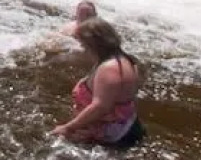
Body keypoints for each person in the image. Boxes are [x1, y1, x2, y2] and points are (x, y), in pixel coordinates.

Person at [53, 18, 145, 148]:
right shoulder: (126, 60)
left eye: (84, 45)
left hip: (110, 139)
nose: (83, 49)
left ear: (95, 44)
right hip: (116, 129)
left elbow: (100, 107)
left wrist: (67, 128)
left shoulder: (110, 69)